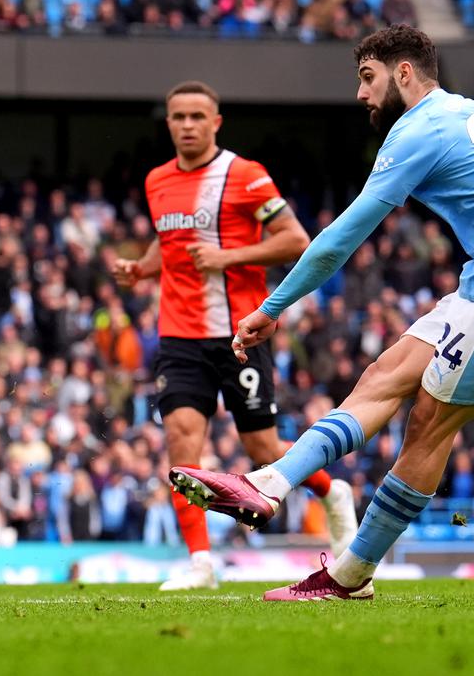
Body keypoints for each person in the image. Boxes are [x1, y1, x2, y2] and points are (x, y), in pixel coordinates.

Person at [168, 26, 474, 601]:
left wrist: (274, 306)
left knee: (429, 425)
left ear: (403, 73)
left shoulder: (414, 132)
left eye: (367, 77)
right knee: (383, 377)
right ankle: (267, 482)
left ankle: (348, 576)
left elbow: (341, 238)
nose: (360, 94)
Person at [114, 80, 358, 591]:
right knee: (181, 440)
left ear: (216, 122)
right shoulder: (157, 180)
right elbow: (170, 243)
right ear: (168, 123)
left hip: (238, 333)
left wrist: (228, 257)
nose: (186, 125)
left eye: (196, 117)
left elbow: (295, 240)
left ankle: (331, 490)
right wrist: (142, 269)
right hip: (178, 334)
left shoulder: (244, 176)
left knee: (261, 447)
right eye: (178, 117)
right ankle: (201, 563)